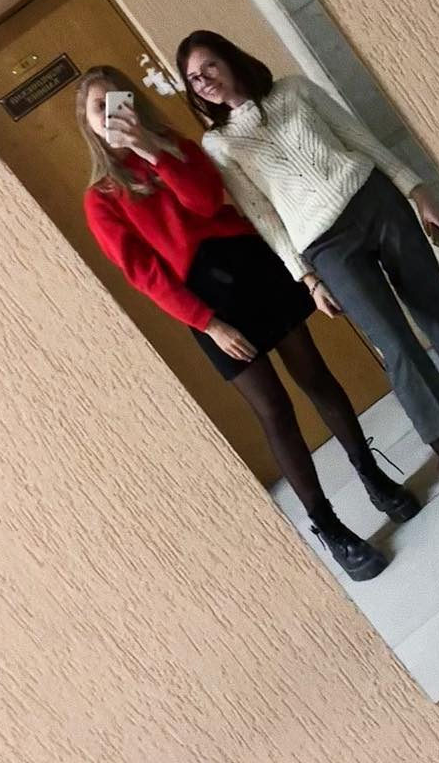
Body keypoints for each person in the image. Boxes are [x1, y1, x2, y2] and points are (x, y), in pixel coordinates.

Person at [76, 66, 420, 582]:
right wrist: (208, 323)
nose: (111, 114)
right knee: (274, 411)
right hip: (206, 303)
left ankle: (372, 477)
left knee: (316, 376)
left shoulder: (174, 146)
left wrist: (150, 150)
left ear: (133, 101)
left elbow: (204, 201)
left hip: (252, 269)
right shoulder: (101, 198)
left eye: (115, 100)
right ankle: (330, 528)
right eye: (98, 109)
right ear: (88, 124)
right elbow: (144, 274)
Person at [176, 32, 439, 513]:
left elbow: (359, 138)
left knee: (433, 303)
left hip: (375, 201)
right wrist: (307, 278)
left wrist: (417, 190)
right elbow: (263, 216)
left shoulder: (294, 90)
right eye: (194, 79)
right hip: (324, 246)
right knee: (395, 346)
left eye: (209, 66)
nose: (204, 81)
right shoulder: (218, 144)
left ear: (230, 59)